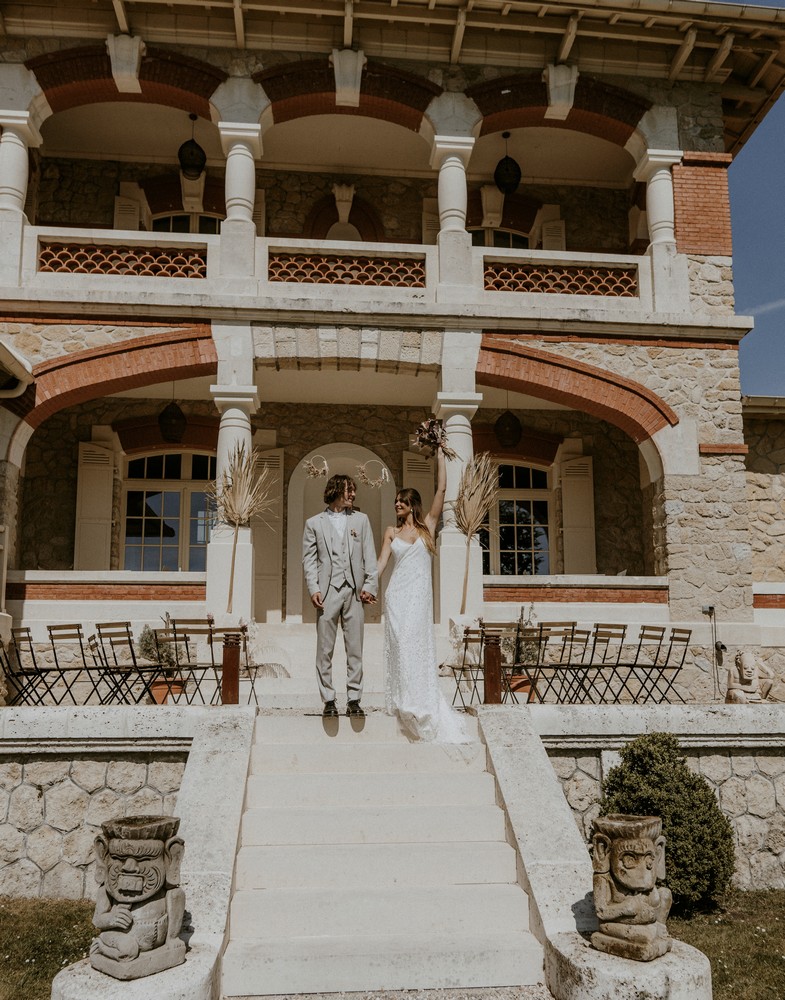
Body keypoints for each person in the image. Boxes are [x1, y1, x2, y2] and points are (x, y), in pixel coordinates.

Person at [377, 447, 467, 742]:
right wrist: (367, 586)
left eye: (402, 502)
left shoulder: (428, 527)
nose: (397, 505)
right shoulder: (391, 532)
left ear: (412, 505)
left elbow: (441, 489)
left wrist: (440, 453)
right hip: (397, 597)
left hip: (419, 597)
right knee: (401, 645)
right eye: (396, 502)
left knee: (414, 645)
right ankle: (405, 701)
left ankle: (419, 700)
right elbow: (381, 564)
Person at [302, 474, 378, 718]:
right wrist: (313, 588)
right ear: (336, 490)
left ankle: (354, 698)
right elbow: (309, 560)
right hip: (327, 592)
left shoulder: (361, 520)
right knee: (324, 649)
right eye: (349, 490)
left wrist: (370, 586)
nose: (353, 495)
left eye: (353, 491)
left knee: (355, 647)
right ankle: (328, 699)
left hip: (354, 592)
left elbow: (370, 556)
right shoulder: (314, 523)